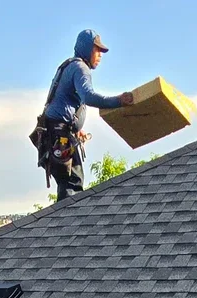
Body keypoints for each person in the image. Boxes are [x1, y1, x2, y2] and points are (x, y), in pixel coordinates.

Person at [34, 30, 135, 198]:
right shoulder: (80, 67)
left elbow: (61, 102)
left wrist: (74, 128)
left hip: (54, 133)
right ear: (87, 48)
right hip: (59, 135)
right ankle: (68, 222)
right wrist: (118, 101)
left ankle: (63, 220)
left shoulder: (69, 65)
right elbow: (88, 96)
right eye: (97, 50)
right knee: (72, 184)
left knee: (68, 182)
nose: (100, 55)